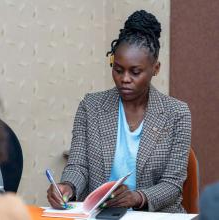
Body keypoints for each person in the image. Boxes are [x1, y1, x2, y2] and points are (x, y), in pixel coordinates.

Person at [47, 10, 191, 213]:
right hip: (100, 214)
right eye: (118, 69)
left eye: (135, 72)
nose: (124, 78)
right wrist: (67, 187)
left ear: (155, 68)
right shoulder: (91, 106)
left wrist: (136, 197)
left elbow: (172, 184)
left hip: (156, 216)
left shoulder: (177, 113)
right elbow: (78, 166)